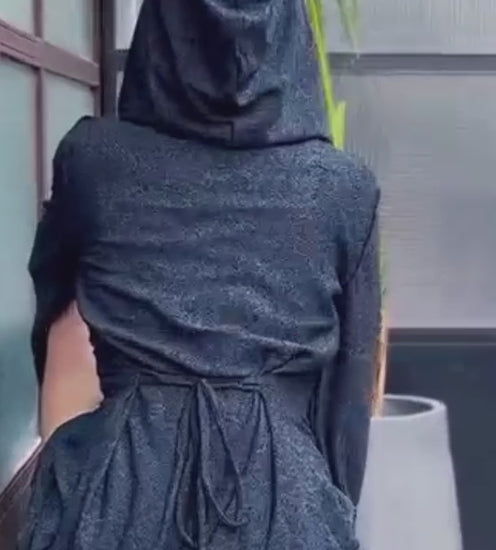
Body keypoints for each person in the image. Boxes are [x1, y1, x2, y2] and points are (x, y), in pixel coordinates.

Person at [20, 0, 380, 548]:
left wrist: (65, 480)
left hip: (114, 501)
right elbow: (346, 403)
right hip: (283, 510)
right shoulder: (343, 188)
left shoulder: (91, 161)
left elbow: (56, 315)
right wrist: (325, 510)